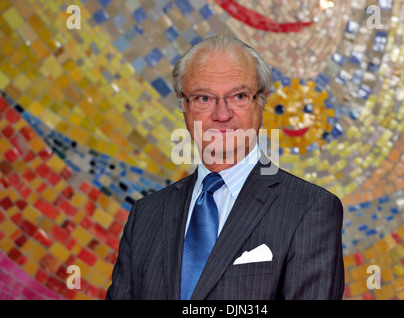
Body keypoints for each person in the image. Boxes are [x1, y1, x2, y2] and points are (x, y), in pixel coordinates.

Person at [106, 34, 344, 300]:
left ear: (262, 101)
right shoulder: (144, 215)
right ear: (183, 105)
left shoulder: (310, 209)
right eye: (204, 98)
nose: (222, 114)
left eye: (239, 96)